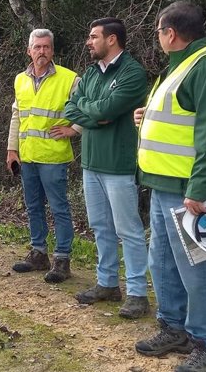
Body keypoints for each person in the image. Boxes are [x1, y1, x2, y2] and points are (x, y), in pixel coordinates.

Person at [134, 2, 206, 372]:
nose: (158, 38)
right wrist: (146, 120)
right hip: (164, 185)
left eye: (159, 32)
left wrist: (198, 188)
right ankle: (173, 328)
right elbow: (183, 121)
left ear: (170, 33)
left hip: (191, 192)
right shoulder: (180, 67)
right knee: (162, 263)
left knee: (197, 269)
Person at [64, 18, 150, 319]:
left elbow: (104, 110)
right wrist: (96, 113)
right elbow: (70, 107)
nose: (89, 42)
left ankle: (138, 293)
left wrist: (95, 111)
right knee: (101, 227)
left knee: (129, 230)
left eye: (93, 37)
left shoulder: (133, 73)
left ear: (111, 39)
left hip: (119, 165)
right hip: (91, 163)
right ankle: (107, 284)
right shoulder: (90, 72)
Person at [7, 29, 80, 283]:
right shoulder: (20, 79)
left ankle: (62, 259)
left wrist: (74, 129)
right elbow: (17, 116)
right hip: (28, 157)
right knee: (33, 207)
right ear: (29, 50)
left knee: (59, 208)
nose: (42, 51)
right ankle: (39, 252)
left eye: (46, 47)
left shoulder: (69, 79)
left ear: (52, 50)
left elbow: (86, 108)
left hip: (54, 156)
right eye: (37, 47)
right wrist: (11, 149)